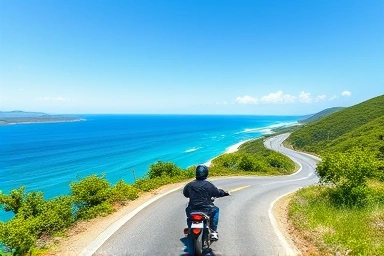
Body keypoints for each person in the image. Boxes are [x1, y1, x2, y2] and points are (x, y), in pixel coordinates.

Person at [183, 164, 230, 240]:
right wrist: (225, 193)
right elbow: (217, 193)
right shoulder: (208, 185)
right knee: (216, 210)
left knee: (188, 212)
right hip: (207, 209)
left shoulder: (189, 185)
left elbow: (185, 194)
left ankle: (190, 228)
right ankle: (213, 231)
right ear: (206, 173)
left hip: (193, 209)